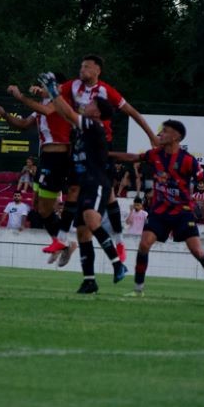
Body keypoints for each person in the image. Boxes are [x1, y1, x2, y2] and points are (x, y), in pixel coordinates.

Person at [50, 54, 160, 264]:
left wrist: (151, 135)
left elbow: (132, 112)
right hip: (80, 143)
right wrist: (42, 91)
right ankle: (61, 238)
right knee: (72, 189)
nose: (82, 70)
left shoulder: (106, 91)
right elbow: (55, 97)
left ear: (97, 71)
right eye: (81, 66)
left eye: (86, 67)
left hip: (100, 145)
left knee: (108, 193)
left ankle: (119, 242)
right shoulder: (73, 85)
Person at [109, 119, 204, 301]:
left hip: (182, 212)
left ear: (176, 137)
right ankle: (138, 289)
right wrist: (106, 154)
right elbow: (132, 157)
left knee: (198, 251)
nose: (161, 134)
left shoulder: (187, 160)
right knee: (144, 245)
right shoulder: (155, 154)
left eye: (165, 131)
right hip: (159, 211)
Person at [40, 71, 129, 293]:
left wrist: (52, 89)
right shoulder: (85, 126)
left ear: (97, 112)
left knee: (90, 219)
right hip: (84, 181)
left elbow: (68, 112)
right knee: (82, 233)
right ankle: (89, 280)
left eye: (91, 104)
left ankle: (118, 263)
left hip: (95, 181)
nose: (87, 104)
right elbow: (66, 112)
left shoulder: (92, 125)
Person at [0, 80, 77, 265]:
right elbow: (23, 124)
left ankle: (65, 242)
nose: (39, 88)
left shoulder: (59, 103)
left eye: (44, 86)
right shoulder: (39, 107)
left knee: (49, 206)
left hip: (59, 158)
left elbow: (47, 111)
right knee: (38, 207)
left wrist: (20, 96)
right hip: (45, 159)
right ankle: (60, 242)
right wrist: (4, 114)